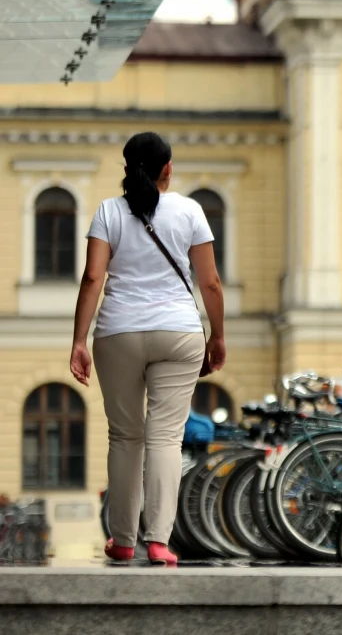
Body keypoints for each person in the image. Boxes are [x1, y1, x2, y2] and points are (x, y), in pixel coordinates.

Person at [68, 132, 227, 566]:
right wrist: (218, 335)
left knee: (125, 436)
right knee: (165, 438)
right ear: (167, 169)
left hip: (117, 332)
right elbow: (209, 282)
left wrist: (79, 341)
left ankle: (122, 539)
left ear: (126, 168)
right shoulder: (190, 210)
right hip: (178, 332)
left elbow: (92, 279)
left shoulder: (108, 212)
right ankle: (158, 540)